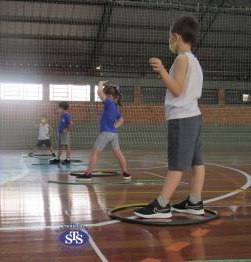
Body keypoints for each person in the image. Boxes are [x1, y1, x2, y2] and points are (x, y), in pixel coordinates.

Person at [134, 15, 205, 218]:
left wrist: (162, 70)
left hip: (182, 118)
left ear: (176, 36)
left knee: (177, 163)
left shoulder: (182, 59)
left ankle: (162, 205)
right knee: (196, 162)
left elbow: (176, 89)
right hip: (194, 116)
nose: (169, 41)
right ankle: (194, 201)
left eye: (169, 37)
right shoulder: (194, 61)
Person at [76, 81, 131, 182]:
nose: (103, 97)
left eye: (106, 95)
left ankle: (88, 174)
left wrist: (100, 83)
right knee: (118, 153)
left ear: (110, 96)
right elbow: (122, 120)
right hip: (114, 133)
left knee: (95, 153)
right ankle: (126, 173)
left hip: (105, 133)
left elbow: (99, 91)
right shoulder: (115, 107)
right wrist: (115, 126)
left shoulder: (109, 103)